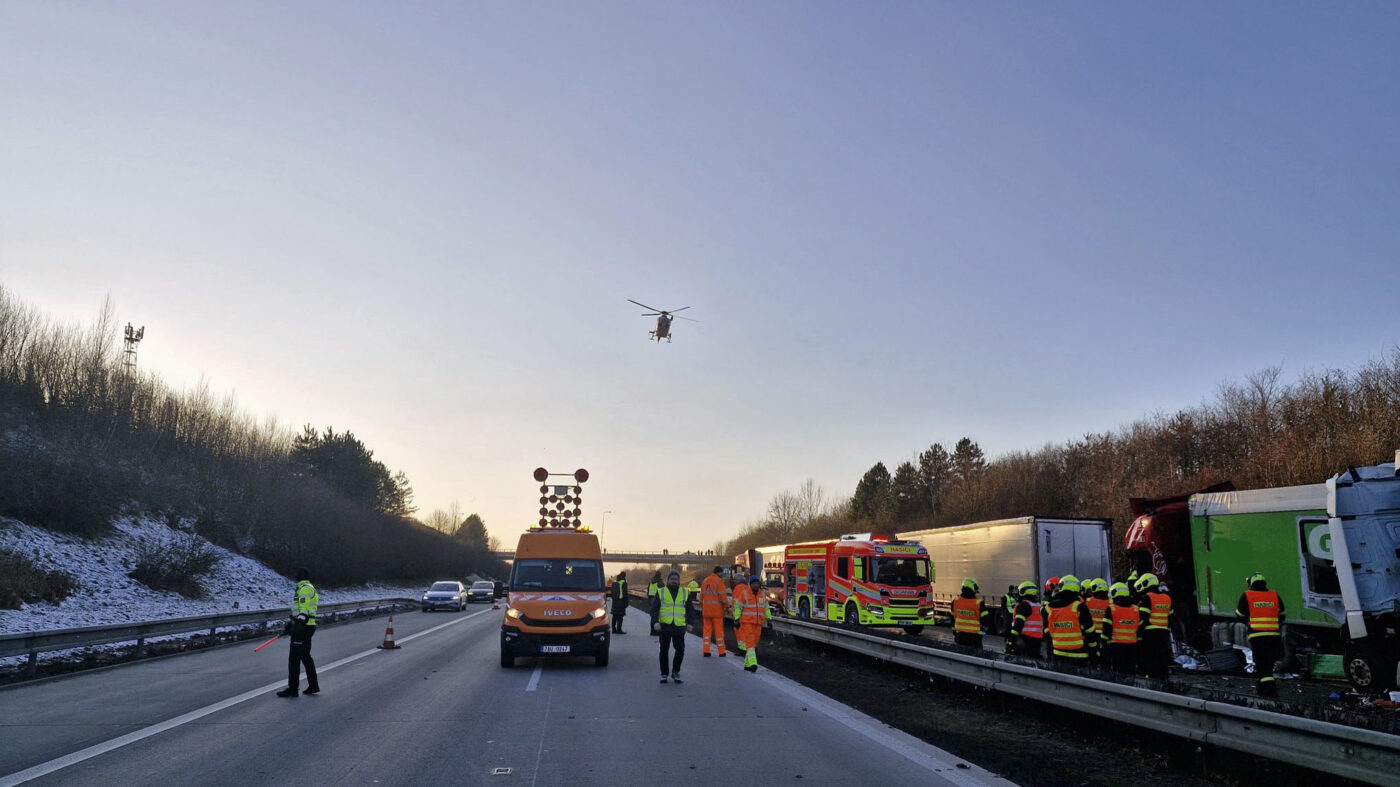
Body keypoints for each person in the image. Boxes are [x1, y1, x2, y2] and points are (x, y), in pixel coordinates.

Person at [1236, 571, 1285, 698]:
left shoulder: (1247, 595)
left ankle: (1267, 691)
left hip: (1257, 636)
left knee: (1262, 664)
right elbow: (1282, 615)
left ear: (1251, 584)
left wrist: (1249, 621)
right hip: (1274, 636)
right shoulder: (1274, 596)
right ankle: (1267, 688)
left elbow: (1239, 614)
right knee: (1269, 663)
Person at [277, 568, 319, 697]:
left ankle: (293, 689)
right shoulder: (308, 587)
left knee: (294, 659)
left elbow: (304, 608)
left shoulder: (304, 588)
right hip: (307, 626)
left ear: (299, 577)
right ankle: (313, 685)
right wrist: (292, 624)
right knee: (305, 657)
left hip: (303, 627)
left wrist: (299, 623)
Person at [651, 570, 694, 683]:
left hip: (679, 627)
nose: (674, 581)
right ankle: (664, 674)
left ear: (679, 581)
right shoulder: (661, 592)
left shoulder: (685, 592)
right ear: (668, 580)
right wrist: (655, 622)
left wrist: (690, 623)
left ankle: (676, 672)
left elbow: (690, 610)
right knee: (664, 650)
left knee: (680, 649)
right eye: (672, 579)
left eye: (676, 579)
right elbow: (654, 609)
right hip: (664, 626)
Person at [1042, 574, 1095, 666]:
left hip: (1058, 653)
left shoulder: (1049, 607)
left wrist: (1053, 597)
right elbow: (1090, 632)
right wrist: (1094, 651)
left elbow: (1042, 611)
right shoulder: (1080, 607)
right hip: (1079, 655)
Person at [1136, 573, 1173, 680]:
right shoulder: (1167, 598)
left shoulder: (1148, 598)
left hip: (1150, 634)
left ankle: (1151, 683)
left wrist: (1139, 634)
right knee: (1162, 661)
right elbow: (1170, 618)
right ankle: (1164, 683)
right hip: (1164, 634)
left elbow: (1143, 619)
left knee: (1150, 660)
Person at [734, 574, 772, 673]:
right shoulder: (745, 594)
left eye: (757, 583)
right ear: (750, 584)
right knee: (750, 643)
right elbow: (738, 607)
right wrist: (737, 619)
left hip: (758, 623)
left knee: (754, 643)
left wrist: (769, 619)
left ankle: (747, 664)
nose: (756, 585)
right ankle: (753, 664)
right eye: (754, 583)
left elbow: (766, 608)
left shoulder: (762, 594)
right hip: (747, 623)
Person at [1102, 582, 1142, 675]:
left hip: (1115, 646)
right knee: (1130, 672)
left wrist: (1103, 643)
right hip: (1132, 646)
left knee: (1117, 673)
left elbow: (1106, 629)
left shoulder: (1111, 609)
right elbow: (1139, 628)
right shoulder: (1136, 609)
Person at [699, 566, 729, 657]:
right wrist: (726, 606)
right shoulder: (719, 581)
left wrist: (703, 607)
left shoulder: (705, 581)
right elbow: (723, 597)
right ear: (718, 572)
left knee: (706, 632)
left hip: (707, 612)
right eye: (721, 573)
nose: (722, 575)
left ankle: (706, 651)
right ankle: (721, 652)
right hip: (717, 612)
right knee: (719, 632)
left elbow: (701, 598)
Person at [1082, 579, 1112, 667]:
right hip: (1106, 635)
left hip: (1091, 634)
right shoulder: (1111, 603)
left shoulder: (1087, 601)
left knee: (1092, 659)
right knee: (1105, 660)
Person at [952, 578, 988, 649]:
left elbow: (952, 619)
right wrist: (981, 634)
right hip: (975, 637)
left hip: (960, 636)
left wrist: (955, 633)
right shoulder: (979, 603)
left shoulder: (956, 601)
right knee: (976, 657)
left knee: (961, 656)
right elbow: (986, 621)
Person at [647, 570, 663, 636]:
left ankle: (652, 631)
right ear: (660, 575)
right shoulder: (660, 583)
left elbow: (648, 590)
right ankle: (657, 631)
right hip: (657, 600)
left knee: (653, 615)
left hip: (651, 599)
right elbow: (664, 591)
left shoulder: (651, 582)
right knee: (658, 616)